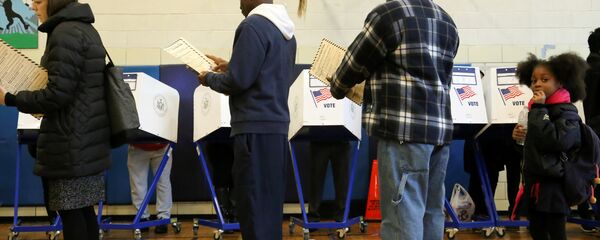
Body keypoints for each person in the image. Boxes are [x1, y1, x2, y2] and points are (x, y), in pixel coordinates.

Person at [329, 0, 460, 239]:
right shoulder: (447, 21)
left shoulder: (387, 15)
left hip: (403, 133)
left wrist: (337, 86)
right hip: (439, 134)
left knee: (403, 215)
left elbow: (354, 63)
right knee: (431, 212)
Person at [0, 0, 110, 239]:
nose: (33, 7)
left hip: (69, 140)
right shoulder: (84, 28)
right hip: (86, 137)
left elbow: (57, 94)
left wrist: (10, 98)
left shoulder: (64, 33)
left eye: (39, 1)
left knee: (71, 213)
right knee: (82, 210)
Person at [196, 0, 303, 238]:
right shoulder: (286, 31)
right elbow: (262, 74)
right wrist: (230, 66)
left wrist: (208, 78)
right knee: (269, 209)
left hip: (253, 128)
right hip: (276, 129)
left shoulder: (252, 25)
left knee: (252, 208)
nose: (240, 5)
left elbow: (238, 82)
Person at [515, 52, 588, 240]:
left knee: (556, 232)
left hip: (555, 184)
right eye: (533, 80)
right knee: (536, 230)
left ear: (561, 83)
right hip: (535, 182)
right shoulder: (535, 110)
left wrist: (539, 111)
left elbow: (556, 142)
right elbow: (531, 148)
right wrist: (519, 138)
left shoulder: (567, 113)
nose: (537, 84)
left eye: (544, 79)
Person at [577, 27, 600, 233]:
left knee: (588, 173)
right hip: (598, 126)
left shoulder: (585, 66)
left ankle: (586, 215)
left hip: (588, 127)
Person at [127, 143, 172, 233]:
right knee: (139, 185)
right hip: (140, 145)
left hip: (159, 145)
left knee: (161, 183)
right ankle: (145, 217)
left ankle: (161, 218)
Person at [307, 140, 351, 223]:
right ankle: (313, 216)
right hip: (319, 140)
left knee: (342, 182)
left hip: (341, 139)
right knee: (316, 181)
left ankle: (342, 216)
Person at [204, 141, 236, 224]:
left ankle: (231, 215)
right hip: (220, 142)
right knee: (222, 178)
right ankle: (227, 216)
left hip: (234, 139)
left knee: (236, 178)